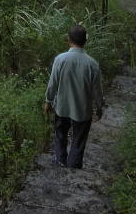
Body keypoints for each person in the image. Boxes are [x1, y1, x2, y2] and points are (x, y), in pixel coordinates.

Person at [44, 24, 105, 169]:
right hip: (82, 110)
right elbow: (97, 90)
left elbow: (53, 84)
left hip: (62, 106)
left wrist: (48, 101)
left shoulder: (60, 60)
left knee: (60, 134)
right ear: (85, 41)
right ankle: (73, 167)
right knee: (79, 139)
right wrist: (99, 106)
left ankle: (60, 160)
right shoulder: (92, 64)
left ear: (69, 40)